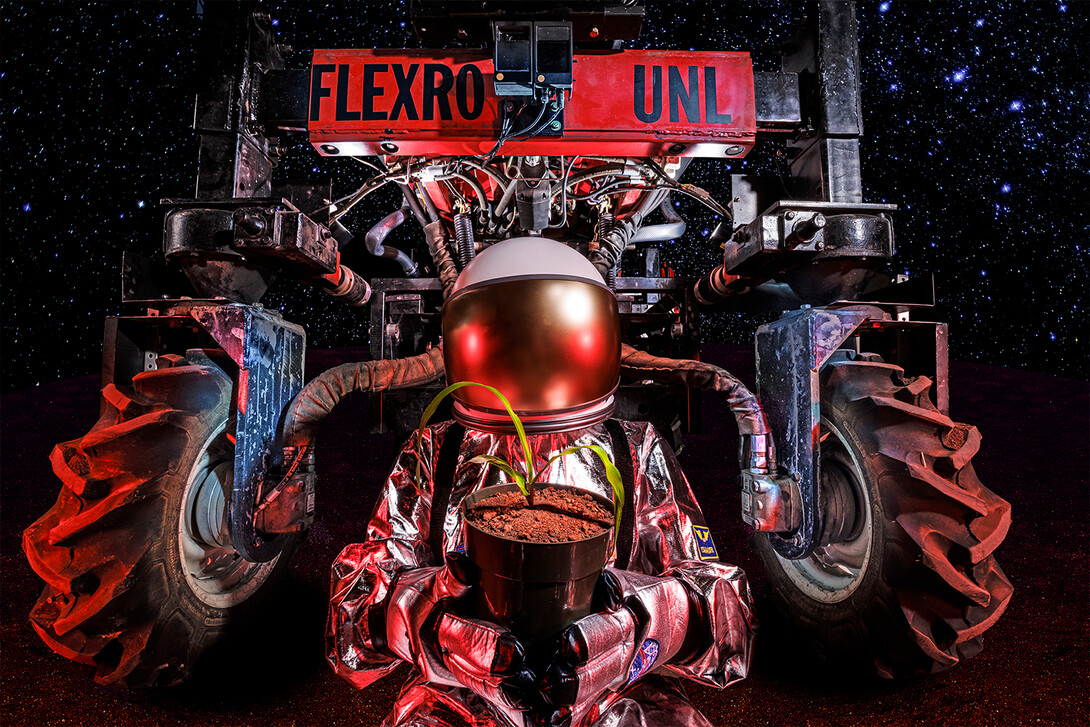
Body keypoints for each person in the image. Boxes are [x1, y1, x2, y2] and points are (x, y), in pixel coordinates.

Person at [325, 237, 755, 727]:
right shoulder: (434, 452)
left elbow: (723, 616)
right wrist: (436, 627)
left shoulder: (635, 450)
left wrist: (642, 621)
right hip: (457, 702)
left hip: (614, 702)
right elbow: (354, 613)